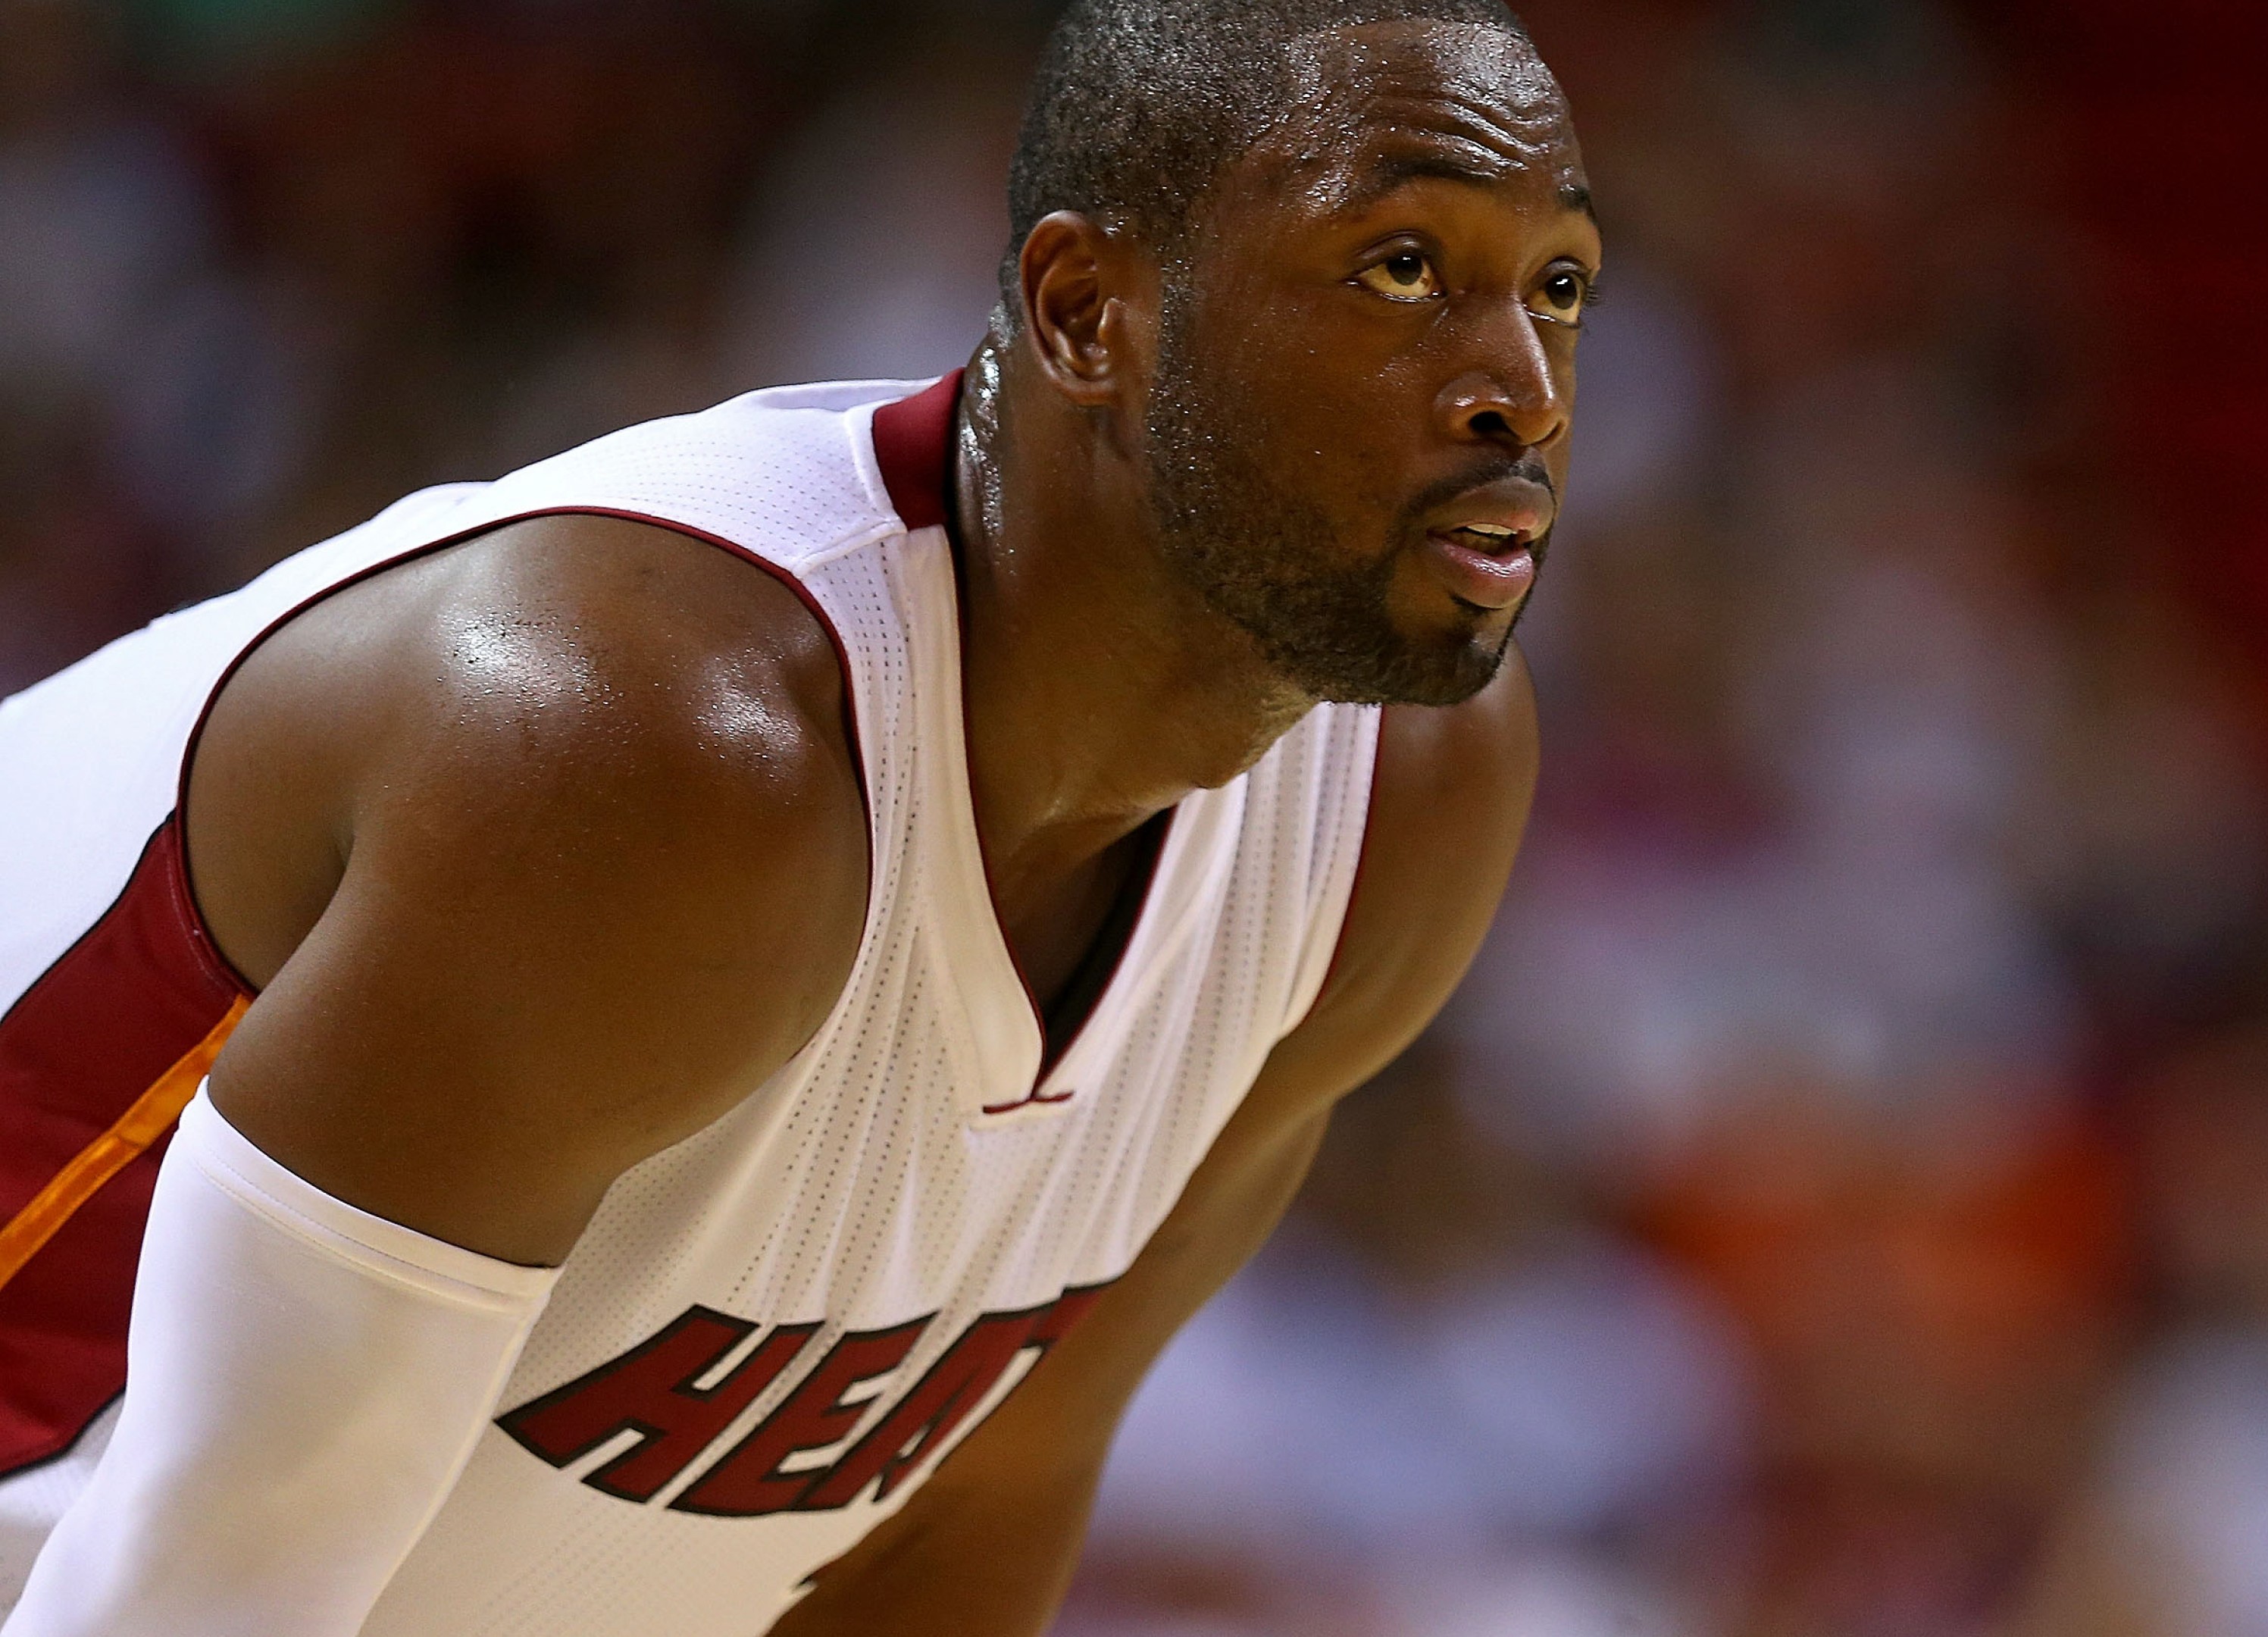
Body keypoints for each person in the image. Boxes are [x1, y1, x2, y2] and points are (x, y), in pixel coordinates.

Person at [0, 1, 1597, 1632]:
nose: (1524, 393)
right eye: (1403, 268)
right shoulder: (653, 752)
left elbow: (955, 1514)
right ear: (1086, 312)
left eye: (1559, 289)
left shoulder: (1404, 804)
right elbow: (198, 1589)